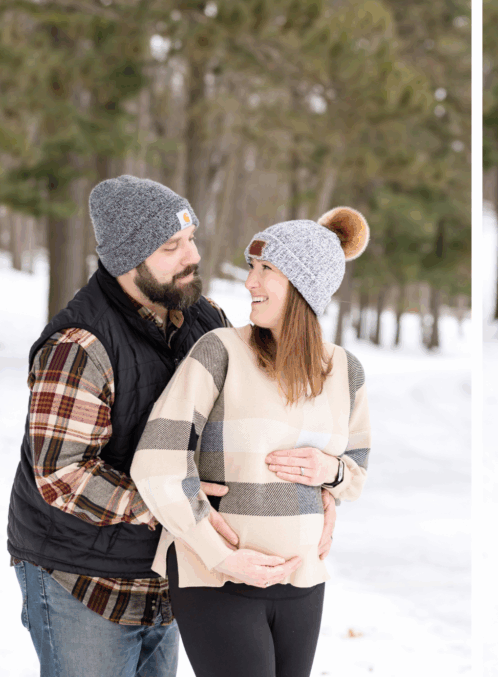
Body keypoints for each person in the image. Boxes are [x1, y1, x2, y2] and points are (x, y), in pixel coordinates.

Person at [6, 175, 336, 677]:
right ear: (127, 259)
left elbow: (251, 420)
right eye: (171, 246)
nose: (192, 256)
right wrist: (173, 503)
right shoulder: (79, 345)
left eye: (191, 238)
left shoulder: (206, 321)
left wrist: (320, 484)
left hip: (169, 571)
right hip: (81, 577)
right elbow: (62, 476)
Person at [130, 207, 372, 677]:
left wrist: (331, 472)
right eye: (251, 267)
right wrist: (220, 554)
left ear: (303, 286)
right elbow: (157, 462)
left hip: (303, 576)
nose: (249, 282)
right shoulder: (220, 351)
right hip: (215, 575)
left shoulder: (345, 371)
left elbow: (355, 470)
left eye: (266, 269)